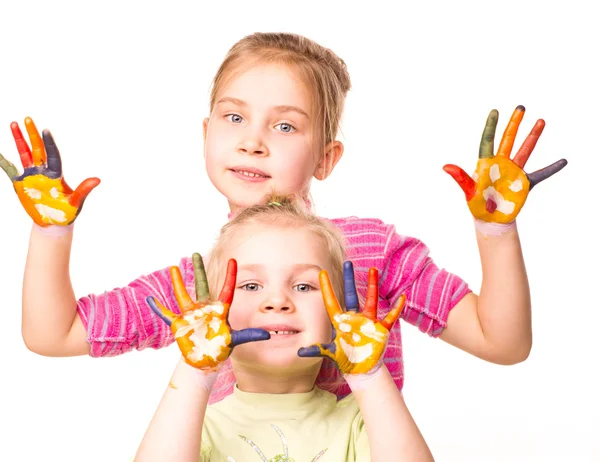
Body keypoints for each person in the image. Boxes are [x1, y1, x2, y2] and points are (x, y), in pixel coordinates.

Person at [0, 32, 567, 403]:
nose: (253, 142)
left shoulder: (369, 253)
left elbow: (503, 342)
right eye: (234, 117)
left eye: (286, 125)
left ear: (327, 157)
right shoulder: (198, 282)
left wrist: (496, 231)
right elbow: (55, 335)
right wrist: (51, 231)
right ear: (205, 134)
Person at [134, 196, 433, 461]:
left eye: (304, 285)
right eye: (251, 285)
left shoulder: (364, 422)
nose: (277, 301)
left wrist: (370, 376)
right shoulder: (194, 426)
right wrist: (195, 371)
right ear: (216, 313)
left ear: (336, 316)